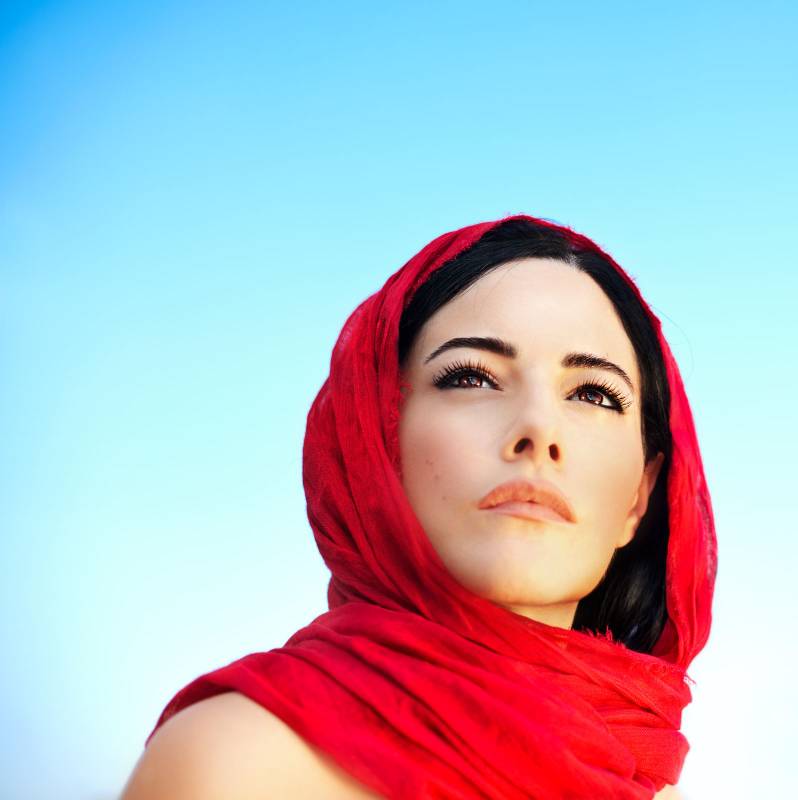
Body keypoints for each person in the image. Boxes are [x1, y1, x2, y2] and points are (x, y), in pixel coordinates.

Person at [121, 215, 717, 799]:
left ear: (639, 496)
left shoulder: (649, 781)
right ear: (378, 440)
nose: (538, 429)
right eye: (472, 378)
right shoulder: (238, 764)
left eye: (593, 394)